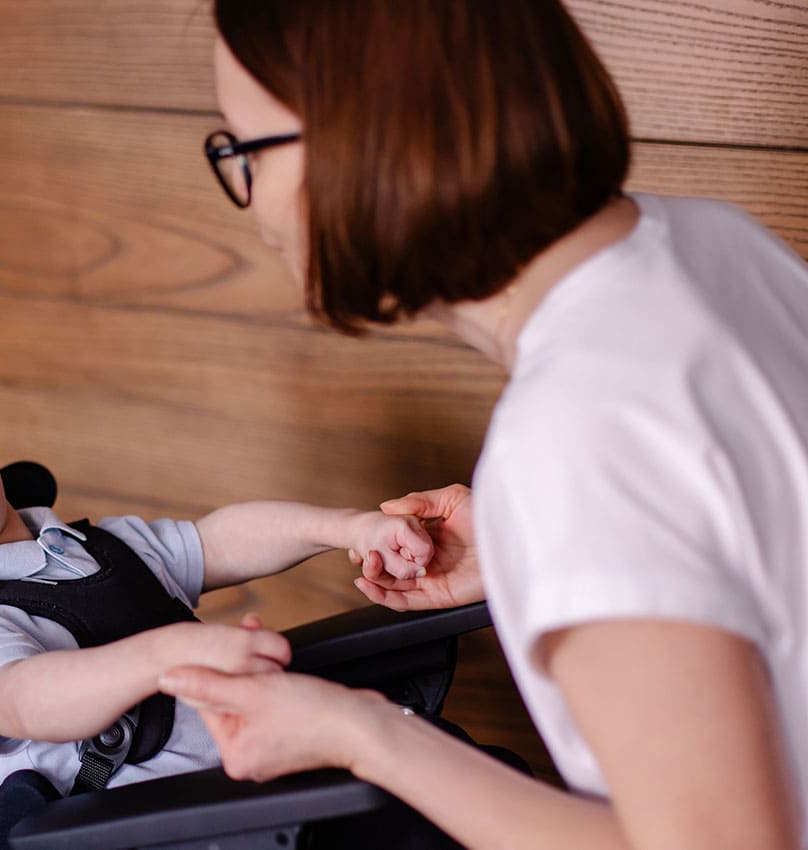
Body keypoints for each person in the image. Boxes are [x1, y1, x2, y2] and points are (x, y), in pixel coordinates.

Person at [158, 2, 808, 849]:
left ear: (368, 145)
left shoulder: (572, 435)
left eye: (246, 150)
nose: (250, 202)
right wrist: (534, 556)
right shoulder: (714, 241)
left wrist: (365, 736)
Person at [0, 359, 434, 806]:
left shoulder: (83, 547)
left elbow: (221, 539)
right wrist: (159, 659)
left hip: (273, 787)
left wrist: (348, 529)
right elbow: (25, 700)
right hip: (171, 827)